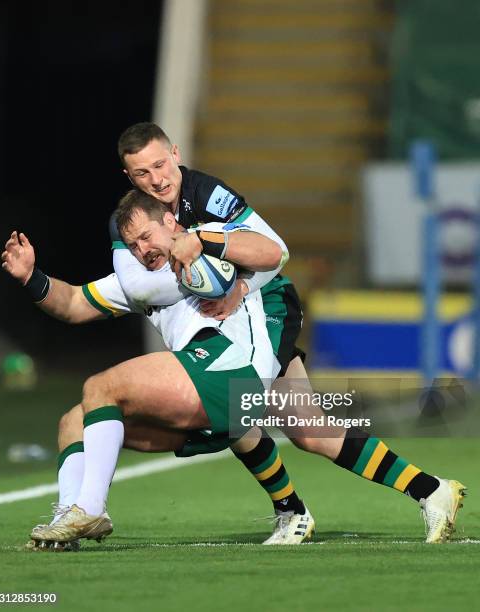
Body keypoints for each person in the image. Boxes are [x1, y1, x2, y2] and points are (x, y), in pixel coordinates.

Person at [109, 123, 467, 543]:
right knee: (310, 431)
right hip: (232, 318)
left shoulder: (207, 195)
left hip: (268, 302)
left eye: (160, 164)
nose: (157, 179)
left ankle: (291, 511)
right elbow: (130, 285)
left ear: (175, 152)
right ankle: (432, 490)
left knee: (233, 405)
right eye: (142, 174)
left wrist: (233, 278)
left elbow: (275, 251)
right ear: (128, 178)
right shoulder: (131, 222)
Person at [2, 190, 315, 546]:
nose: (142, 250)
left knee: (100, 386)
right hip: (209, 404)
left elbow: (272, 252)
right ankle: (67, 522)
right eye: (133, 246)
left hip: (226, 368)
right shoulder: (142, 283)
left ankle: (90, 509)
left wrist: (232, 270)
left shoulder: (209, 250)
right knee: (74, 422)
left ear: (170, 221)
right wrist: (31, 277)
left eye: (146, 237)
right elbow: (73, 303)